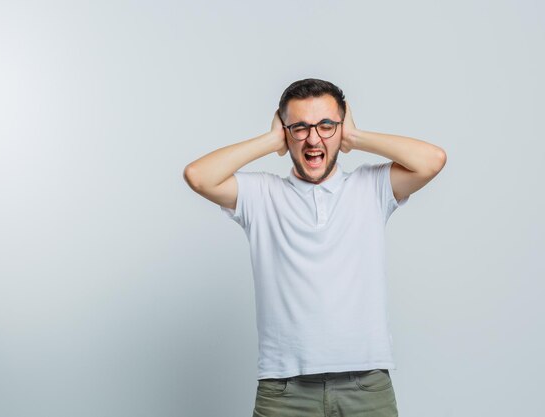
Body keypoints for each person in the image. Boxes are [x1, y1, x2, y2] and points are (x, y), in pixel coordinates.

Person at [183, 78, 446, 417]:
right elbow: (198, 176)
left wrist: (355, 137)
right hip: (284, 390)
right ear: (285, 131)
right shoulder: (262, 194)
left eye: (326, 125)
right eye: (300, 128)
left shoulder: (371, 187)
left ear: (342, 126)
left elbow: (433, 160)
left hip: (366, 383)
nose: (313, 138)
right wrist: (270, 141)